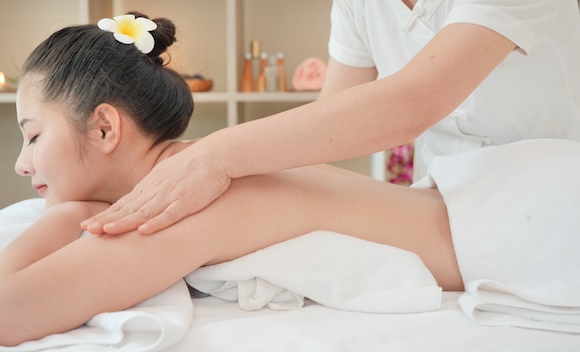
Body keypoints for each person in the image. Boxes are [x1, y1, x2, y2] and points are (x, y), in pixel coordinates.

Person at [0, 13, 466, 346]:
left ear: (104, 127)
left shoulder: (179, 197)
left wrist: (73, 214)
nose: (21, 165)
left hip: (497, 232)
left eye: (32, 137)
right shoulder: (195, 168)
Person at [81, 0, 580, 236]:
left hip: (554, 203)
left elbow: (410, 105)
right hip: (447, 204)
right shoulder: (359, 4)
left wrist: (214, 156)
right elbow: (331, 127)